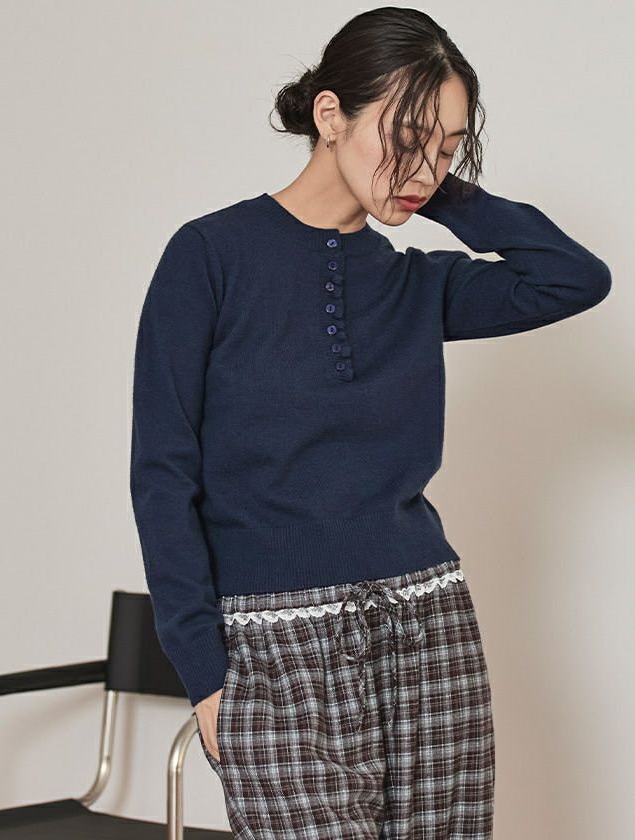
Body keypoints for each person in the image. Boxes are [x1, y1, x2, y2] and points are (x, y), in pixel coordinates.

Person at [129, 7, 611, 838]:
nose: (424, 167)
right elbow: (162, 475)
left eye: (448, 148)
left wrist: (434, 188)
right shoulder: (209, 256)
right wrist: (204, 672)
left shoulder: (421, 284)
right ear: (330, 115)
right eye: (408, 137)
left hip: (427, 628)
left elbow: (574, 278)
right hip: (271, 647)